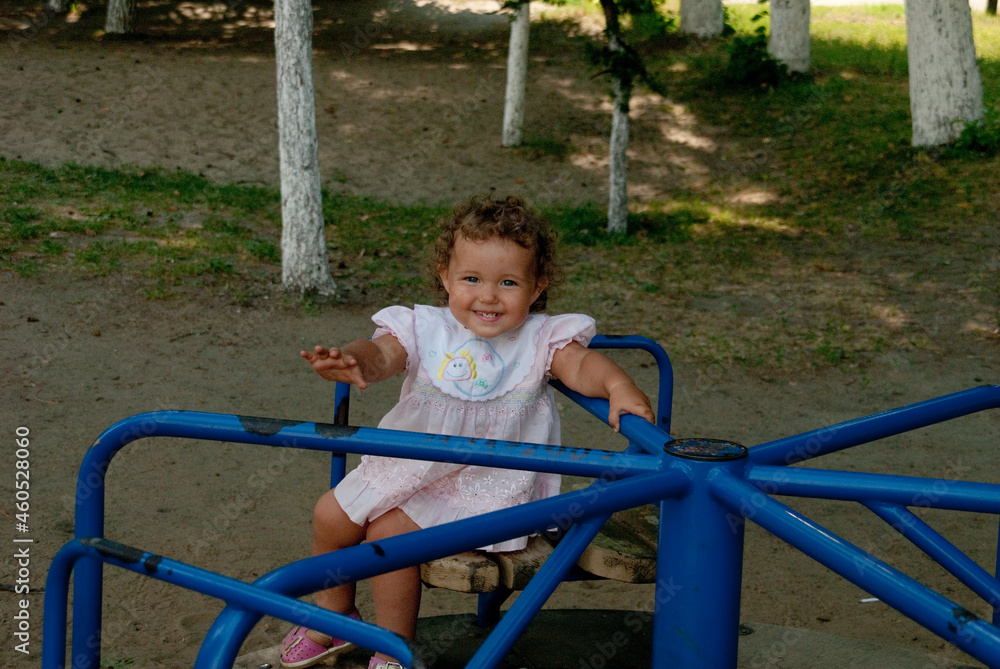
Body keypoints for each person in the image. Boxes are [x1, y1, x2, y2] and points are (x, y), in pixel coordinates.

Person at [280, 195, 655, 669]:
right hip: (410, 465)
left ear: (537, 287)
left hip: (489, 483)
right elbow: (384, 353)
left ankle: (393, 649)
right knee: (329, 515)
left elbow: (582, 365)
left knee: (388, 536)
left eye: (509, 282)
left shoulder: (541, 339)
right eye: (472, 279)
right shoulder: (424, 327)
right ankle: (333, 617)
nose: (488, 296)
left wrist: (619, 385)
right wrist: (355, 362)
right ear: (445, 277)